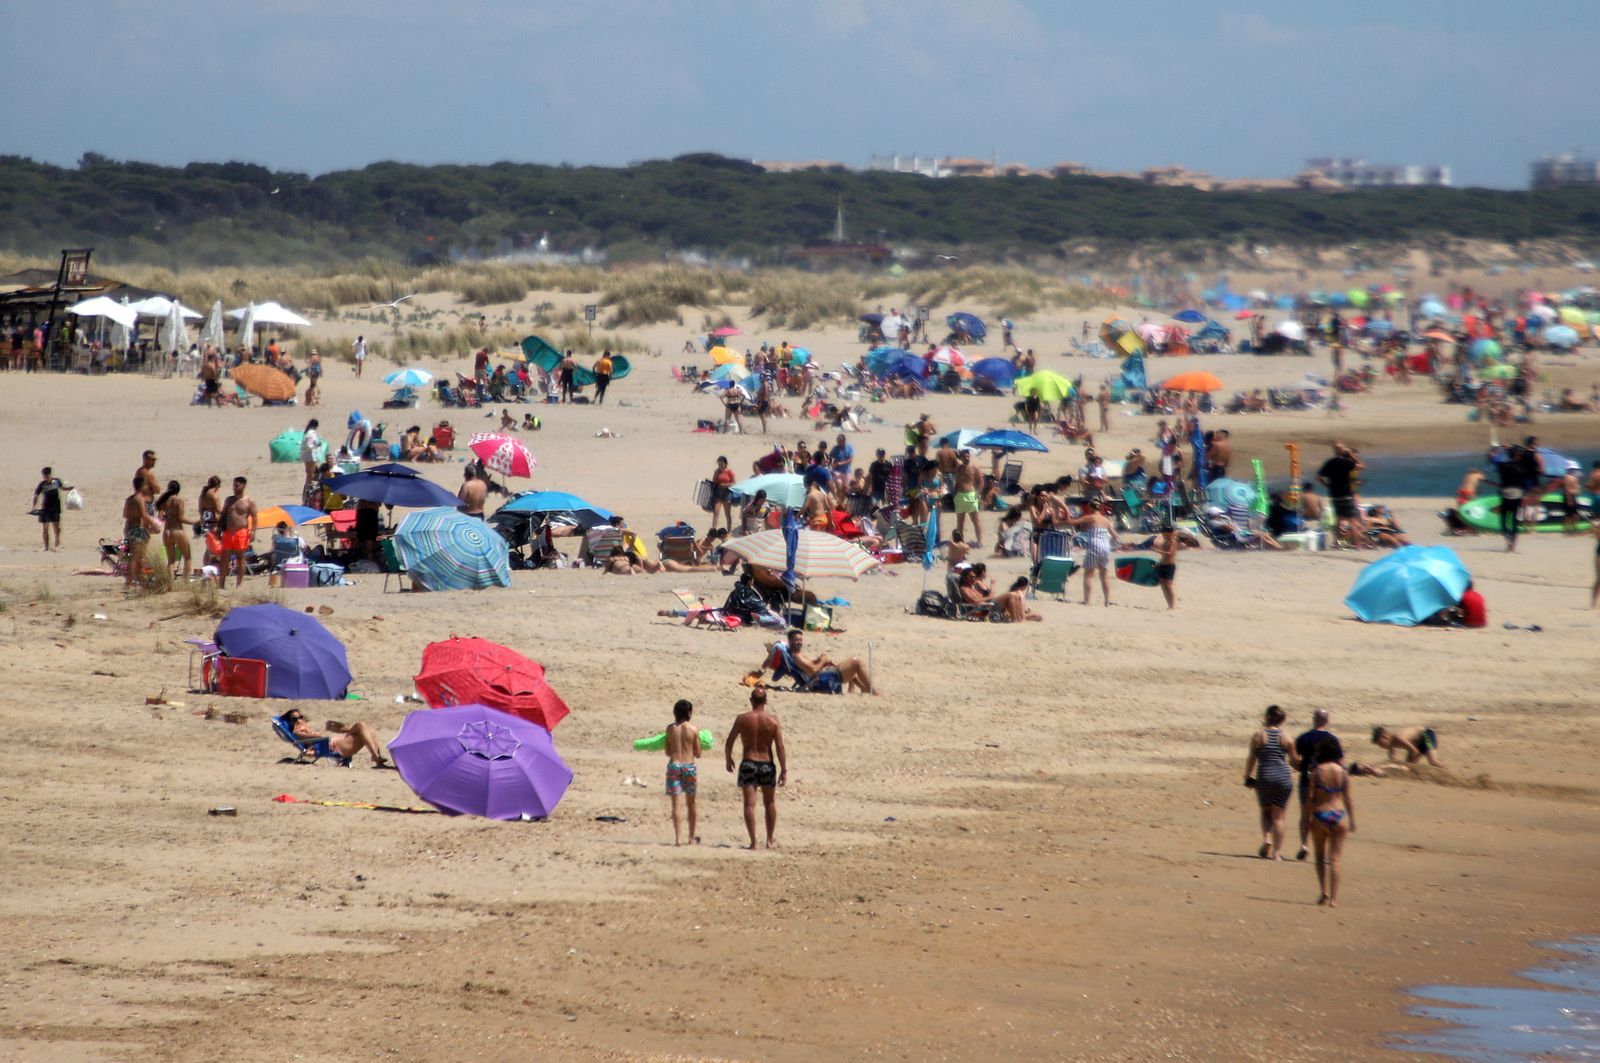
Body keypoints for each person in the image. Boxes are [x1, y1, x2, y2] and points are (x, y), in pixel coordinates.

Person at [725, 684, 787, 850]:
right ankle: (769, 840)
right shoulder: (773, 721)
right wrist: (784, 769)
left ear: (751, 700)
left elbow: (729, 741)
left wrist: (728, 759)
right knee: (770, 803)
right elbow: (780, 747)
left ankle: (753, 843)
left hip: (749, 763)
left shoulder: (742, 719)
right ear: (765, 701)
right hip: (767, 763)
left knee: (749, 805)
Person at [1243, 705, 1297, 860]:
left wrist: (1247, 776)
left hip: (1265, 776)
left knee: (1266, 811)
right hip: (1283, 778)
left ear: (1266, 717)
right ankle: (1277, 853)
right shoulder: (1287, 738)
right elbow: (1294, 762)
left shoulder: (1258, 736)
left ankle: (1267, 838)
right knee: (1279, 817)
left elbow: (1251, 759)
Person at [1305, 738, 1354, 908]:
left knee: (1319, 857)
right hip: (1339, 815)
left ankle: (1324, 892)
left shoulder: (1317, 772)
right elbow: (1347, 798)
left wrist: (1306, 820)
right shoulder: (1343, 772)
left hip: (1320, 814)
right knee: (1336, 859)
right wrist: (1353, 820)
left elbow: (1310, 798)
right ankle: (1334, 900)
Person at [1292, 709, 1341, 861]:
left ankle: (1304, 845)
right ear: (1326, 720)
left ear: (1314, 719)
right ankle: (1324, 852)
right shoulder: (1332, 740)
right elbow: (1339, 763)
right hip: (1326, 784)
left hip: (1306, 781)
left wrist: (1302, 768)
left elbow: (1294, 761)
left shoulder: (1303, 738)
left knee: (1305, 815)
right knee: (1325, 817)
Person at [283, 708, 391, 768]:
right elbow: (314, 742)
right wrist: (305, 732)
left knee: (367, 729)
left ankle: (377, 759)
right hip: (335, 748)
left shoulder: (305, 729)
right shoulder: (298, 733)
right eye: (294, 719)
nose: (299, 720)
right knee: (360, 725)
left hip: (338, 742)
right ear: (290, 723)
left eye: (300, 717)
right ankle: (375, 757)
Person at [784, 627, 878, 694]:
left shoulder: (800, 655)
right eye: (796, 640)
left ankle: (862, 689)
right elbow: (813, 670)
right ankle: (871, 690)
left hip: (824, 676)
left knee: (850, 667)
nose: (799, 643)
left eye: (801, 640)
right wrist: (823, 659)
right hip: (824, 680)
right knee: (856, 663)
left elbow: (814, 662)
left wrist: (821, 659)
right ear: (790, 641)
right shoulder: (797, 656)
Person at [665, 698, 700, 846]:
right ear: (689, 713)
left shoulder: (670, 729)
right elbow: (697, 753)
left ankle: (678, 839)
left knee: (676, 805)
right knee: (691, 804)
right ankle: (691, 837)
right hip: (689, 766)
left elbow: (667, 751)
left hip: (674, 765)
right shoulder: (693, 729)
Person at [1317, 441, 1364, 548]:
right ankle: (1358, 545)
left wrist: (1326, 485)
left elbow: (1318, 477)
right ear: (1343, 450)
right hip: (1346, 494)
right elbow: (1361, 466)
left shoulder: (1330, 462)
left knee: (1339, 519)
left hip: (1335, 495)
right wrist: (1351, 455)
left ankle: (1337, 543)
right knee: (1352, 520)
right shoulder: (1347, 462)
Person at [1072, 500, 1118, 606]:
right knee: (1104, 576)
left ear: (1090, 508)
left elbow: (1075, 523)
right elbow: (1115, 536)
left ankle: (1086, 601)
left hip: (1094, 544)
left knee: (1088, 574)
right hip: (1105, 546)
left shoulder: (1091, 517)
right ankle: (1107, 601)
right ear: (1100, 508)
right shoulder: (1106, 520)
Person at [216, 476, 258, 588]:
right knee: (225, 558)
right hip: (229, 532)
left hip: (241, 532)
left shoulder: (249, 501)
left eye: (237, 485)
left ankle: (238, 584)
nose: (234, 488)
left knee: (240, 559)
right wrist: (219, 528)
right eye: (233, 485)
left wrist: (253, 531)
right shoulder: (229, 500)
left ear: (243, 486)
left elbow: (254, 517)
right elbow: (223, 514)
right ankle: (221, 584)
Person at [120, 476, 161, 590]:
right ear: (143, 486)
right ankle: (129, 583)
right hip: (137, 528)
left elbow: (125, 514)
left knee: (136, 557)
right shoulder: (140, 499)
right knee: (136, 557)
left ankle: (139, 580)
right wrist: (154, 526)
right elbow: (144, 515)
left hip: (129, 527)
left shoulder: (129, 499)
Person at [157, 481, 191, 579]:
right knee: (187, 557)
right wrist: (194, 522)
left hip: (167, 531)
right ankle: (185, 581)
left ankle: (170, 583)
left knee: (171, 561)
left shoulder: (164, 501)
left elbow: (160, 517)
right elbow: (181, 518)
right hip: (177, 530)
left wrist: (167, 515)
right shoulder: (178, 501)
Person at [32, 466, 69, 551]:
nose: (45, 477)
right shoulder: (42, 484)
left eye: (47, 476)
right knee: (45, 528)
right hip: (45, 508)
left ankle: (57, 540)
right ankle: (46, 547)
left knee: (57, 527)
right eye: (44, 476)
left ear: (50, 475)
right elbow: (36, 495)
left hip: (55, 507)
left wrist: (69, 488)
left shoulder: (56, 481)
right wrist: (34, 507)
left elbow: (62, 488)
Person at [952, 449, 984, 547]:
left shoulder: (974, 468)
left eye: (968, 456)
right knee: (960, 522)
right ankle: (960, 542)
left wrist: (977, 493)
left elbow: (981, 482)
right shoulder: (958, 468)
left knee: (976, 520)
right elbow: (957, 482)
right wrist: (954, 495)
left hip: (971, 495)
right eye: (964, 456)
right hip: (960, 496)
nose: (966, 458)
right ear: (961, 458)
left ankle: (979, 542)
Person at [1371, 725, 1443, 767]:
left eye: (1381, 744)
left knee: (1433, 761)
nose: (1381, 747)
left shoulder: (1399, 738)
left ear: (1385, 737)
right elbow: (1392, 759)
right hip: (1417, 743)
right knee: (1409, 766)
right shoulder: (1391, 744)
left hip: (1426, 735)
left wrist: (1404, 764)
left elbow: (1415, 751)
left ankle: (1447, 773)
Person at [1155, 520, 1178, 610]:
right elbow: (1164, 556)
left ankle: (1172, 605)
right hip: (1162, 565)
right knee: (1163, 585)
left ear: (1169, 533)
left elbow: (1169, 553)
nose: (1163, 535)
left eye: (1164, 533)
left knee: (1168, 585)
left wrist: (1157, 551)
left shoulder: (1173, 542)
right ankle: (1169, 604)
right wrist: (1159, 563)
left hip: (1169, 566)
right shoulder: (1164, 542)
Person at [710, 456, 735, 532]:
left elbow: (734, 482)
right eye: (719, 464)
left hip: (727, 493)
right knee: (716, 512)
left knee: (727, 513)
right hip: (718, 493)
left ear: (725, 464)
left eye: (721, 464)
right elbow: (713, 482)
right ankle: (713, 529)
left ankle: (729, 530)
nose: (720, 465)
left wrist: (726, 485)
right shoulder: (717, 471)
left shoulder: (729, 472)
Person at [300, 419, 321, 488]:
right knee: (311, 473)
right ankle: (308, 487)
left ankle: (307, 486)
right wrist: (316, 445)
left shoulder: (307, 433)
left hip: (307, 455)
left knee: (309, 473)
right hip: (310, 455)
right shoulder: (311, 434)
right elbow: (309, 445)